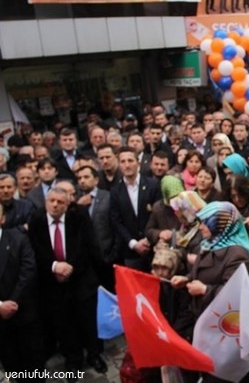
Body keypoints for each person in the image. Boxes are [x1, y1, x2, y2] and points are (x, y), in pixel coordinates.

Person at [28, 187, 108, 376]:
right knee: (64, 323)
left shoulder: (79, 216)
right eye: (52, 201)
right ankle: (73, 360)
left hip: (81, 278)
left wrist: (71, 267)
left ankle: (94, 354)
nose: (55, 205)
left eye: (60, 202)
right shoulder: (37, 219)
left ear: (68, 205)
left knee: (88, 320)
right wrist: (55, 266)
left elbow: (89, 246)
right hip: (53, 282)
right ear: (46, 202)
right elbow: (35, 250)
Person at [170, 201, 249, 316]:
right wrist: (187, 279)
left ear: (221, 224)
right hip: (200, 311)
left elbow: (235, 292)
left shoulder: (237, 254)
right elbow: (205, 272)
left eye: (205, 223)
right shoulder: (209, 244)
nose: (200, 227)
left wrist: (204, 290)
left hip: (218, 318)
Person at [0, 202, 47, 379]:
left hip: (24, 311)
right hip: (1, 322)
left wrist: (12, 302)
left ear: (3, 218)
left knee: (33, 360)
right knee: (11, 362)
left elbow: (28, 271)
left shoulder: (19, 239)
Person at [109, 147, 162, 271]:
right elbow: (116, 221)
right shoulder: (115, 191)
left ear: (138, 163)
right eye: (123, 161)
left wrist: (148, 239)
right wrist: (133, 243)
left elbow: (158, 215)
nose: (127, 165)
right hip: (130, 251)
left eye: (130, 160)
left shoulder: (153, 185)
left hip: (153, 248)